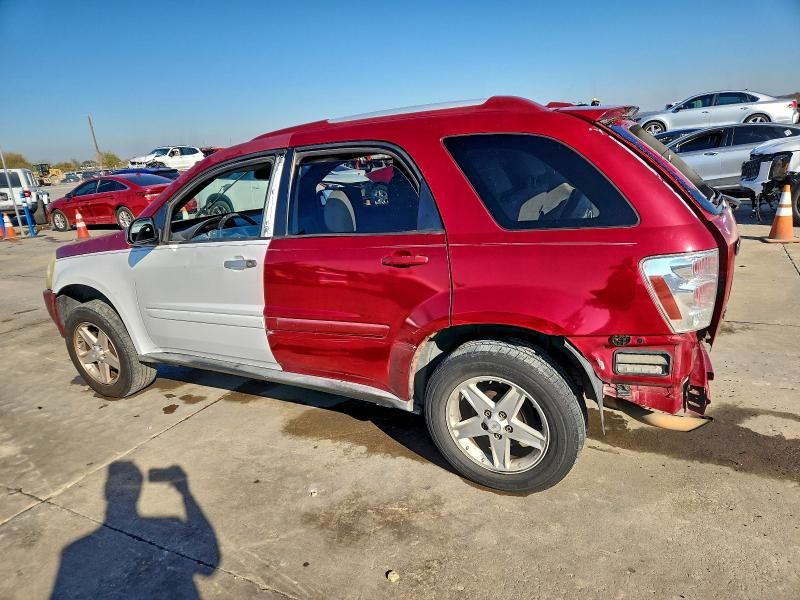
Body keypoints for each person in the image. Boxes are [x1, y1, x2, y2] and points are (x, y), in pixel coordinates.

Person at [50, 462, 219, 599]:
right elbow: (209, 563)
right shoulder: (168, 526)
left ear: (106, 492)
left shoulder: (76, 552)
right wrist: (185, 493)